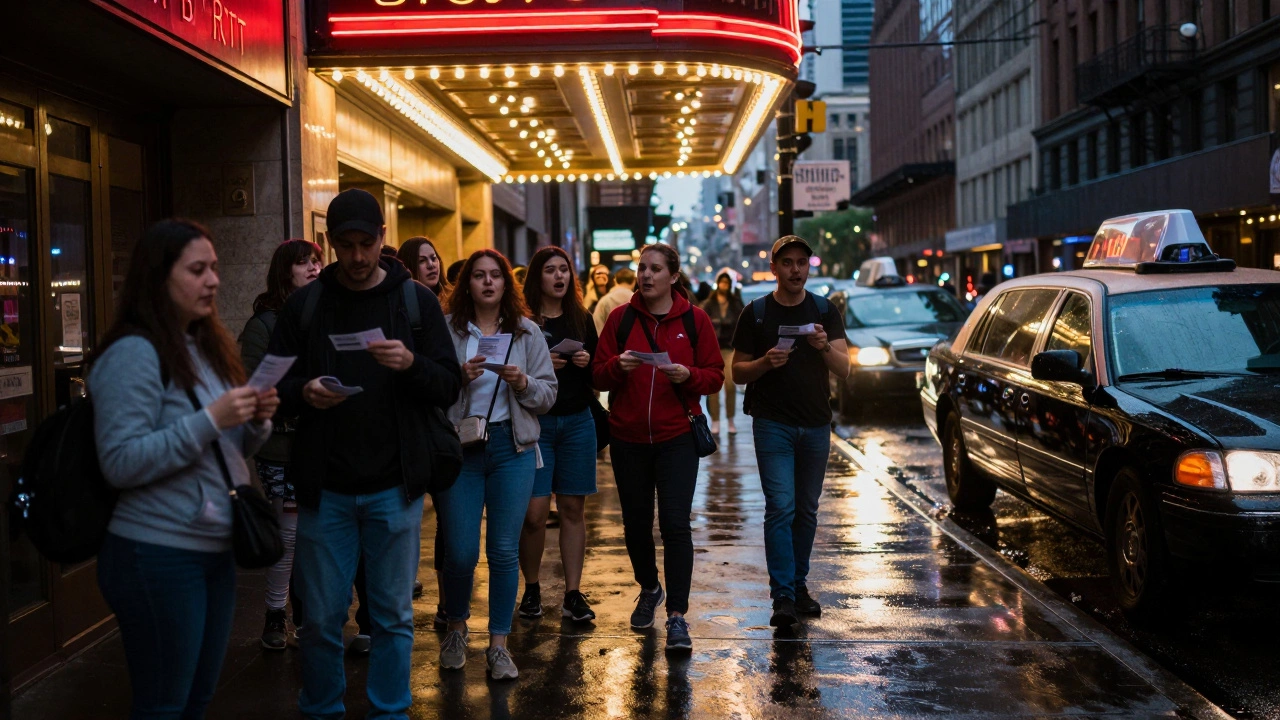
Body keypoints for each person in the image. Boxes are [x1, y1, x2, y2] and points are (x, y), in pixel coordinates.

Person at [269, 188, 461, 720]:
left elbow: (447, 385)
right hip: (325, 488)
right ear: (331, 243)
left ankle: (390, 712)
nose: (355, 258)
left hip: (393, 487)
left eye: (365, 244)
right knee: (323, 619)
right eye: (345, 246)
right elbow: (270, 385)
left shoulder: (414, 303)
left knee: (394, 616)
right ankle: (323, 709)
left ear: (382, 239)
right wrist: (302, 393)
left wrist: (411, 365)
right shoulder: (306, 306)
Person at [90, 219, 277, 718]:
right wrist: (212, 419)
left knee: (195, 699)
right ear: (158, 278)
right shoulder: (133, 352)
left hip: (212, 550)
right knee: (163, 705)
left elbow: (225, 448)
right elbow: (120, 462)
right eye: (198, 270)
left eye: (214, 268)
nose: (213, 280)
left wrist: (255, 422)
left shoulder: (204, 347)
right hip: (156, 554)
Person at [592, 243, 723, 654]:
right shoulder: (620, 317)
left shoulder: (696, 320)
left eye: (654, 269)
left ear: (673, 276)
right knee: (634, 524)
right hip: (628, 438)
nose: (645, 275)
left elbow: (716, 375)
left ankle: (678, 617)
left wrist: (689, 376)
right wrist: (617, 368)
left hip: (676, 438)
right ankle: (650, 587)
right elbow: (597, 374)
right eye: (641, 268)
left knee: (674, 523)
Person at [438, 249, 557, 680]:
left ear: (507, 284)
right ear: (467, 283)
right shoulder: (448, 332)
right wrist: (458, 378)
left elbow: (549, 394)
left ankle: (499, 645)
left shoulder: (527, 333)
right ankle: (455, 630)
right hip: (461, 448)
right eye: (479, 276)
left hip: (512, 448)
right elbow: (429, 390)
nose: (488, 283)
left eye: (496, 276)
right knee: (461, 552)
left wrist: (524, 382)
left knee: (504, 551)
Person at [731, 235, 850, 628]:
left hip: (816, 424)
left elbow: (844, 368)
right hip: (772, 424)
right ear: (775, 268)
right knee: (781, 507)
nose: (795, 269)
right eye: (788, 263)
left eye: (802, 262)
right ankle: (782, 594)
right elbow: (736, 372)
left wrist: (822, 347)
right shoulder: (757, 313)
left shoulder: (823, 310)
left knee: (806, 509)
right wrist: (766, 361)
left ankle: (799, 586)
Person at [240, 238, 322, 651]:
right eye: (303, 262)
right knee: (288, 536)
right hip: (282, 446)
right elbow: (255, 387)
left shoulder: (328, 311)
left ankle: (311, 616)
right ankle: (276, 612)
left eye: (317, 261)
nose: (312, 268)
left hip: (325, 444)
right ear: (283, 271)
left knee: (317, 536)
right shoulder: (265, 325)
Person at [518, 246, 599, 624]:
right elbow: (510, 372)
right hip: (537, 425)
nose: (559, 276)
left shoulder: (582, 319)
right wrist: (540, 363)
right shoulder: (522, 322)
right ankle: (531, 588)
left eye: (564, 269)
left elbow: (598, 379)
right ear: (538, 277)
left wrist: (586, 364)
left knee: (572, 509)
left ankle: (572, 593)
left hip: (578, 421)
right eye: (550, 270)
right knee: (533, 514)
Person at [700, 271, 744, 435]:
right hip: (712, 349)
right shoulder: (709, 304)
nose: (724, 286)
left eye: (727, 283)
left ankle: (730, 419)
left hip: (729, 347)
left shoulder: (735, 303)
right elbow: (702, 323)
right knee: (713, 387)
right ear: (718, 284)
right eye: (722, 283)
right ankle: (716, 421)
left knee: (730, 385)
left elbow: (742, 324)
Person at [591, 267, 636, 334]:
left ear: (615, 280)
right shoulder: (638, 301)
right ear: (634, 281)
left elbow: (596, 328)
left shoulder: (604, 301)